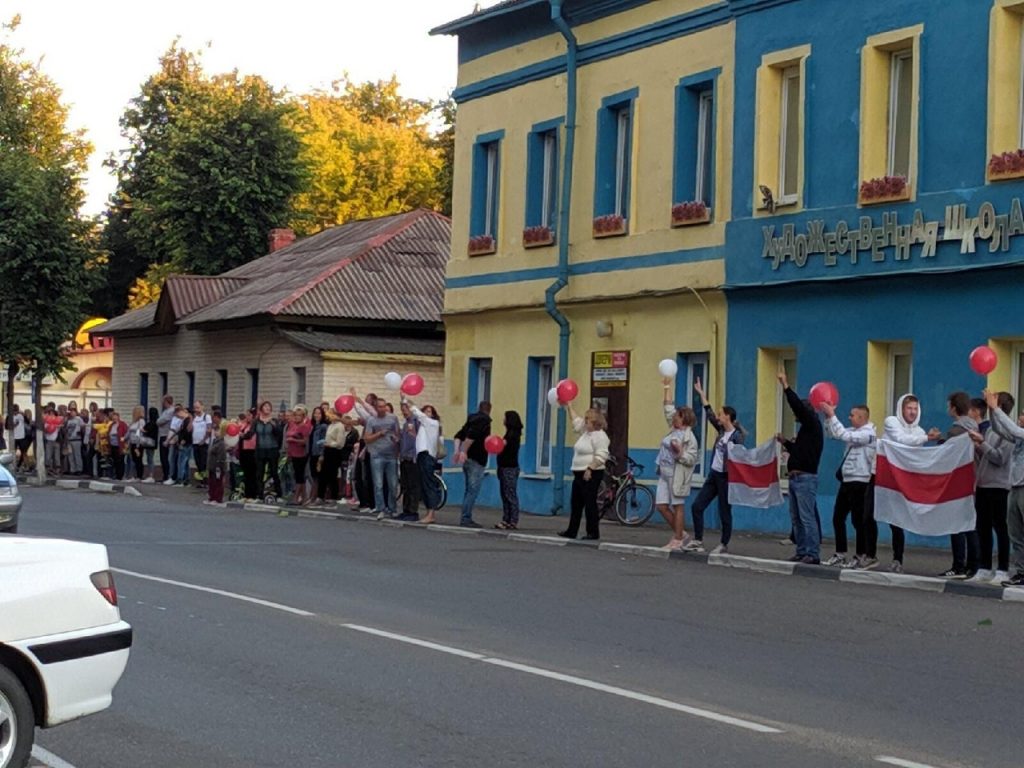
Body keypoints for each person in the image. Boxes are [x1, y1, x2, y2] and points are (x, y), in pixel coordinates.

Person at [688, 377, 745, 554]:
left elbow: (740, 456)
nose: (719, 416)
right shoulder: (721, 431)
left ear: (727, 416)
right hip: (714, 474)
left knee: (724, 511)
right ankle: (698, 540)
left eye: (721, 414)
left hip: (727, 477)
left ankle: (724, 543)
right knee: (697, 506)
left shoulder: (737, 436)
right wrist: (702, 395)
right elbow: (710, 414)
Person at [821, 402, 878, 569]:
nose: (849, 417)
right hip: (847, 480)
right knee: (838, 517)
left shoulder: (868, 434)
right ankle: (840, 553)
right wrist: (827, 418)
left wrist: (832, 415)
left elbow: (844, 435)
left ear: (861, 417)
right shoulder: (854, 431)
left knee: (858, 521)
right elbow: (834, 434)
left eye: (852, 415)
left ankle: (861, 554)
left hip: (860, 482)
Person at [928, 391, 978, 578]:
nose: (947, 408)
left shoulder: (957, 430)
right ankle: (973, 565)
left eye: (949, 405)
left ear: (954, 408)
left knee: (957, 525)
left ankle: (959, 565)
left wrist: (939, 440)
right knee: (970, 524)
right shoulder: (974, 427)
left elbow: (946, 453)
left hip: (958, 482)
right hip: (972, 480)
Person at [777, 371, 824, 565]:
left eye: (798, 413)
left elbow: (797, 405)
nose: (796, 416)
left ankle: (812, 553)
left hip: (806, 479)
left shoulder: (812, 424)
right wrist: (786, 442)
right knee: (796, 518)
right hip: (796, 478)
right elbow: (799, 451)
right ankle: (802, 550)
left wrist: (785, 386)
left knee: (806, 518)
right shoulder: (806, 431)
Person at [968, 392, 1015, 584]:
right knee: (983, 527)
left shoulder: (1010, 432)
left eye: (992, 401)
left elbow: (999, 458)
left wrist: (982, 444)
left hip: (1000, 486)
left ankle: (1003, 568)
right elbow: (985, 455)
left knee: (1001, 528)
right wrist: (977, 444)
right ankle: (984, 567)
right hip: (983, 484)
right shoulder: (989, 429)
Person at [881, 394, 928, 573]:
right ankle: (867, 555)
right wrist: (926, 439)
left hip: (902, 483)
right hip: (883, 479)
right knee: (865, 517)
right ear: (901, 408)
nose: (912, 412)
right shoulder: (891, 422)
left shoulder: (920, 432)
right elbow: (901, 440)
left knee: (897, 521)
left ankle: (897, 559)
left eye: (915, 408)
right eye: (909, 408)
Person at [982, 388, 1024, 587]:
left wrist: (995, 409)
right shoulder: (1017, 438)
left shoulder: (1022, 434)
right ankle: (1021, 573)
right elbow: (1000, 430)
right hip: (1015, 487)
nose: (1021, 417)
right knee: (1015, 533)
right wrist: (992, 411)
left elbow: (1014, 430)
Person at [655, 379, 699, 550]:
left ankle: (678, 538)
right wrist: (666, 386)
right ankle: (682, 534)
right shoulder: (673, 429)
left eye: (677, 417)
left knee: (677, 505)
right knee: (661, 506)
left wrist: (680, 452)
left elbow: (691, 459)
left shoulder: (690, 438)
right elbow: (667, 408)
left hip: (677, 474)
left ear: (685, 420)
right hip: (664, 472)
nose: (674, 418)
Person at [558, 404, 611, 541]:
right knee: (576, 502)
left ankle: (593, 532)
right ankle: (572, 530)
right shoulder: (585, 433)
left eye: (587, 420)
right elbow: (575, 421)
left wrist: (590, 468)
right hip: (578, 473)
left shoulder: (600, 436)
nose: (585, 422)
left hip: (591, 473)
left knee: (589, 502)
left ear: (594, 422)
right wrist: (569, 405)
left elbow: (602, 455)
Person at [453, 401, 492, 528]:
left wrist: (457, 451)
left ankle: (465, 516)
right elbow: (471, 437)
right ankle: (466, 518)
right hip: (477, 459)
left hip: (468, 460)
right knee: (472, 491)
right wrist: (463, 451)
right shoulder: (484, 420)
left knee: (468, 490)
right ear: (489, 410)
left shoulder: (471, 420)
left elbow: (458, 435)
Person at [363, 397, 401, 519]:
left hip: (391, 455)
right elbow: (366, 438)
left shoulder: (393, 418)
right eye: (380, 407)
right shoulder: (371, 420)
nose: (383, 409)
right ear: (376, 408)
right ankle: (381, 508)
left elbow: (398, 434)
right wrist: (379, 434)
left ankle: (392, 508)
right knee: (378, 483)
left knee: (393, 484)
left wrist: (396, 439)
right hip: (377, 454)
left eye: (384, 406)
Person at [408, 401, 442, 525]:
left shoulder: (432, 423)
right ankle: (429, 512)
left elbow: (418, 414)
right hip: (423, 455)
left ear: (433, 415)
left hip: (427, 456)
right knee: (424, 484)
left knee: (428, 484)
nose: (426, 414)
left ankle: (431, 513)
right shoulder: (424, 426)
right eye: (425, 411)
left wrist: (407, 401)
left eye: (429, 411)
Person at [245, 401, 283, 501]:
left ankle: (279, 494)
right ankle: (260, 495)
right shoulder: (256, 421)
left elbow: (279, 433)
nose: (267, 408)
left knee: (274, 472)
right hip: (260, 450)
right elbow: (251, 433)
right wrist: (242, 436)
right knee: (259, 473)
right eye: (265, 406)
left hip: (272, 449)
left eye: (269, 407)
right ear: (261, 409)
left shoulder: (274, 420)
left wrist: (273, 425)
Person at [495, 410, 523, 530]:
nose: (503, 420)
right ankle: (506, 519)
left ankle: (512, 520)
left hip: (509, 468)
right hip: (504, 466)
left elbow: (503, 445)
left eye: (505, 418)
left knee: (510, 494)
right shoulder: (510, 433)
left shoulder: (513, 435)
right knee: (505, 494)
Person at [397, 401, 422, 521]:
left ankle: (413, 511)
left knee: (413, 486)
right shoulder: (406, 424)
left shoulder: (416, 421)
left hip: (413, 458)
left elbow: (419, 438)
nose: (404, 412)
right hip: (404, 457)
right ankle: (405, 510)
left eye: (405, 409)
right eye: (402, 410)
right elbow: (404, 440)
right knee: (405, 485)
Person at [285, 405, 312, 505]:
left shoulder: (304, 427)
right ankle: (304, 497)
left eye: (299, 416)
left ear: (303, 417)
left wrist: (293, 440)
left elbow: (305, 441)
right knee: (297, 475)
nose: (296, 417)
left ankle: (296, 497)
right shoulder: (292, 425)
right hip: (293, 453)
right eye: (295, 415)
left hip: (301, 454)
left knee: (299, 476)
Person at [203, 422, 228, 507]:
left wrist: (219, 466)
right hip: (212, 466)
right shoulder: (214, 441)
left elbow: (221, 456)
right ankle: (212, 497)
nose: (216, 433)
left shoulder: (221, 443)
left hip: (218, 467)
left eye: (218, 431)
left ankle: (218, 498)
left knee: (218, 483)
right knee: (212, 483)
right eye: (215, 431)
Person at [191, 401, 213, 489]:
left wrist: (204, 440)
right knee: (198, 462)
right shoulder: (194, 418)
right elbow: (190, 429)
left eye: (198, 407)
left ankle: (205, 481)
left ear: (202, 407)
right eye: (195, 408)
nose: (196, 410)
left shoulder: (206, 417)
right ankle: (200, 480)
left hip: (204, 444)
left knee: (203, 462)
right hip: (195, 442)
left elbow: (209, 429)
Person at [308, 406, 327, 499]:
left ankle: (317, 497)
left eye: (319, 413)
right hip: (312, 453)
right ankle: (312, 496)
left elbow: (324, 441)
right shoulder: (313, 426)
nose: (317, 415)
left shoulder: (323, 426)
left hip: (319, 454)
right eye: (315, 413)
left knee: (318, 476)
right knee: (313, 476)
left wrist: (322, 454)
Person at [157, 395, 176, 483]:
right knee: (162, 457)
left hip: (167, 435)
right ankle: (165, 475)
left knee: (166, 457)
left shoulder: (171, 411)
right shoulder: (166, 411)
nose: (162, 403)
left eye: (163, 401)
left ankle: (168, 475)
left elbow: (160, 421)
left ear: (167, 402)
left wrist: (159, 421)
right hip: (163, 434)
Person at [126, 406, 147, 482]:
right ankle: (133, 475)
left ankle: (139, 476)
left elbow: (140, 432)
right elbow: (129, 432)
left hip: (138, 443)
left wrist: (138, 444)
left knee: (138, 459)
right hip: (132, 442)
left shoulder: (141, 421)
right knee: (134, 459)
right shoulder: (133, 422)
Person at [106, 410, 128, 480]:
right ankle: (115, 475)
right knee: (114, 461)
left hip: (120, 445)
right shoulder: (111, 425)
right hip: (112, 445)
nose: (114, 418)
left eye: (115, 417)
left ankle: (120, 476)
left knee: (120, 461)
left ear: (118, 417)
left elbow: (126, 433)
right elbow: (108, 434)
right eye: (113, 417)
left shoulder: (122, 424)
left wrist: (123, 440)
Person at [64, 405, 84, 475]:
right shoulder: (68, 420)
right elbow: (66, 429)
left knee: (77, 455)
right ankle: (73, 469)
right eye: (71, 412)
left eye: (73, 412)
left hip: (77, 439)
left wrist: (80, 433)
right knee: (70, 455)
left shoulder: (78, 419)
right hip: (70, 439)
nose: (72, 413)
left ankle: (79, 469)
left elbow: (82, 427)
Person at [141, 407, 159, 482]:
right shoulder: (156, 422)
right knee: (150, 458)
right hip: (153, 442)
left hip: (149, 442)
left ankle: (151, 475)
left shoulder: (151, 423)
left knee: (150, 459)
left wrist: (143, 430)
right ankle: (150, 475)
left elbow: (146, 430)